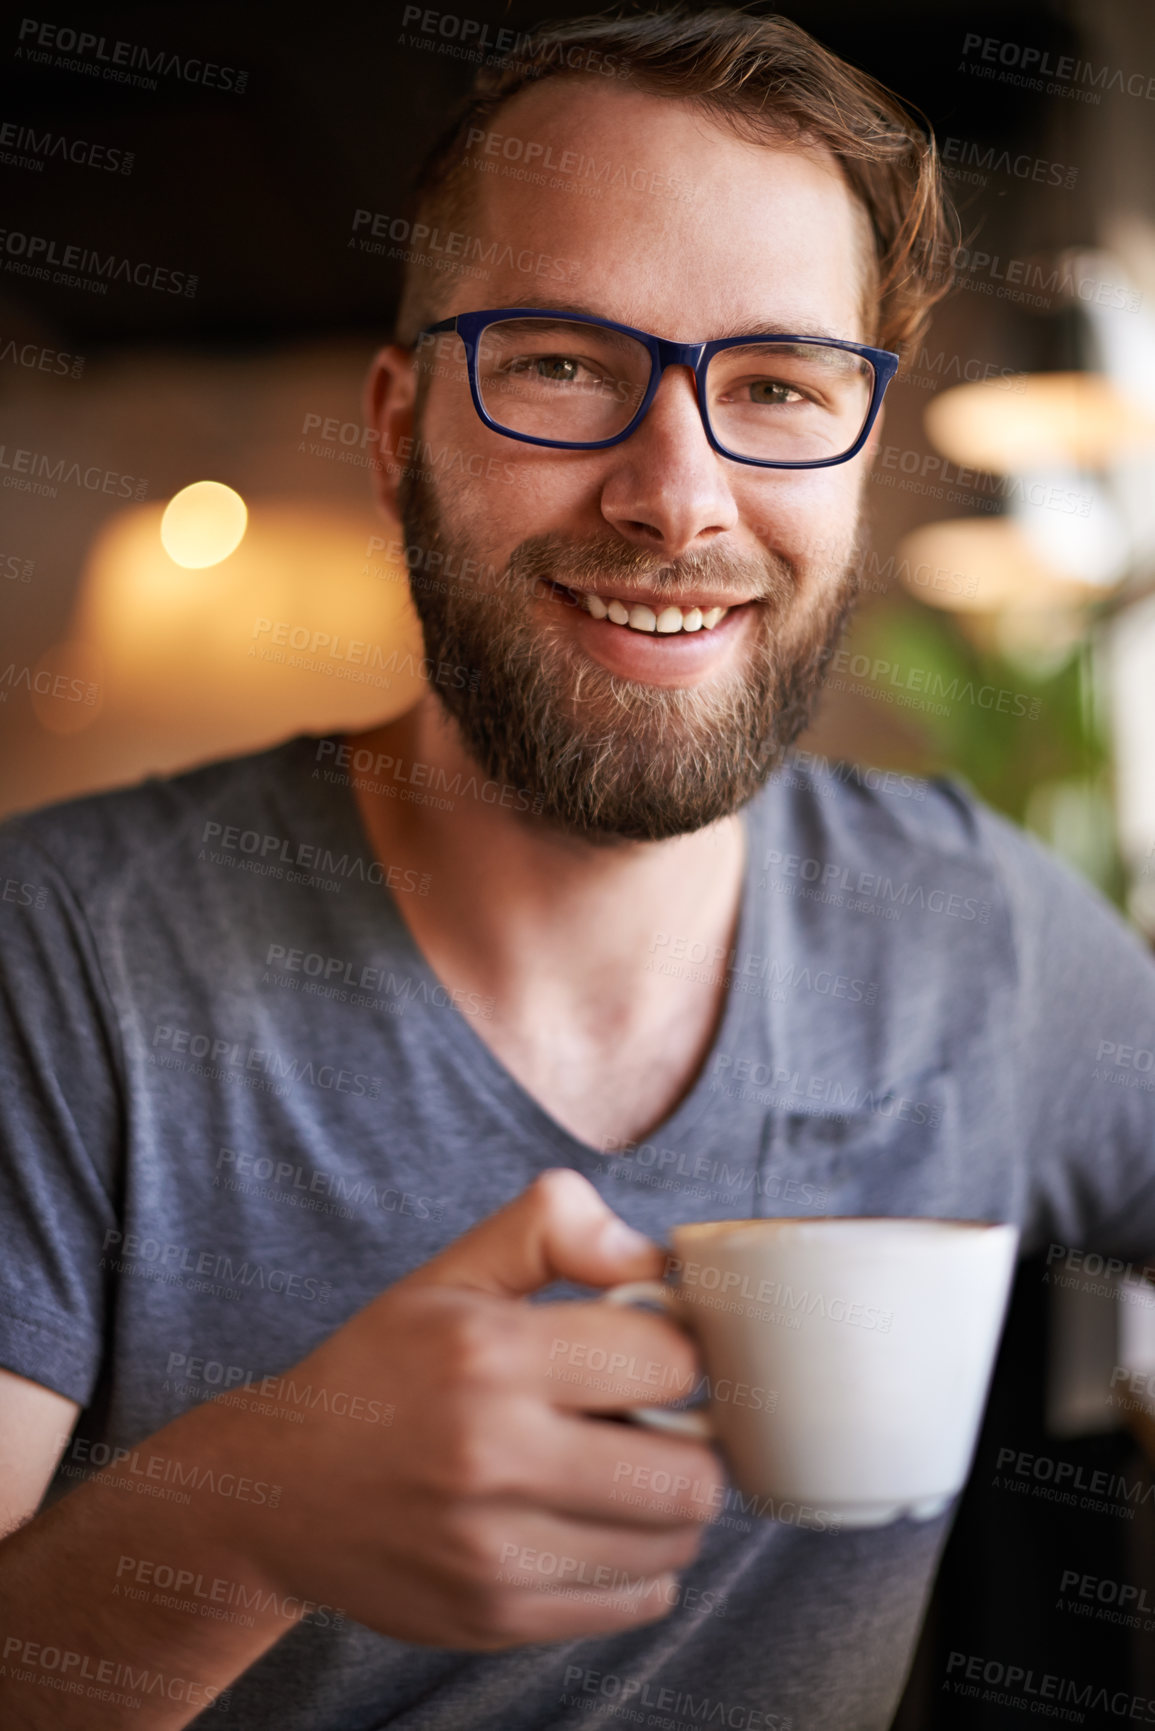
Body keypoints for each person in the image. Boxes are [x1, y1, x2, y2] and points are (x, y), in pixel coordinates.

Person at [0, 8, 1152, 1729]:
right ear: (399, 429)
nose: (679, 494)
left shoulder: (979, 932)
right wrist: (247, 1509)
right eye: (558, 362)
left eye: (776, 386)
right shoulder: (57, 959)